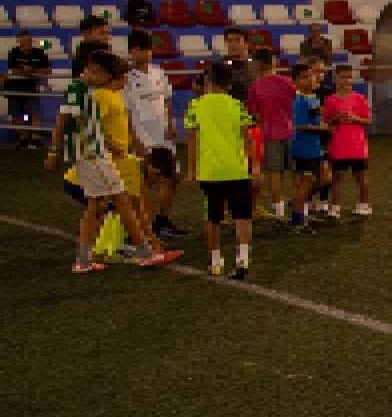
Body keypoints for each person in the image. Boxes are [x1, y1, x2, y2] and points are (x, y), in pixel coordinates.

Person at [46, 49, 181, 273]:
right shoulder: (81, 90)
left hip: (94, 154)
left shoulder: (88, 90)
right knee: (122, 201)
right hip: (92, 155)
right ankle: (145, 254)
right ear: (104, 74)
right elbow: (70, 122)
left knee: (98, 207)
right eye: (92, 71)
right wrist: (54, 151)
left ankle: (85, 260)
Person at [186, 56, 258, 279]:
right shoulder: (237, 105)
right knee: (242, 216)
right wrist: (254, 166)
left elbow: (192, 142)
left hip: (210, 172)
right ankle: (243, 259)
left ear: (207, 81)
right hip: (237, 169)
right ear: (229, 84)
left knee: (213, 217)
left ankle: (216, 261)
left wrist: (191, 170)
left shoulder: (196, 106)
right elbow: (248, 139)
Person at [121, 33, 180, 241]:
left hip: (163, 134)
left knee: (171, 178)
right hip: (143, 136)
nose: (144, 53)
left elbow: (166, 101)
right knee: (145, 181)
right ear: (131, 51)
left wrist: (171, 123)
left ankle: (162, 221)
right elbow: (125, 112)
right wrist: (134, 140)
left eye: (147, 49)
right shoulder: (126, 79)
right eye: (139, 49)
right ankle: (143, 223)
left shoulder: (159, 72)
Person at [246, 48, 296, 218]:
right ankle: (300, 207)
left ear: (258, 64)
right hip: (291, 131)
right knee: (296, 173)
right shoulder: (288, 82)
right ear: (273, 62)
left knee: (275, 174)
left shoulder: (256, 86)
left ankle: (278, 210)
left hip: (270, 134)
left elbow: (254, 113)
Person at [321, 64, 374, 217]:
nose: (346, 81)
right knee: (337, 177)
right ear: (335, 79)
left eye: (349, 77)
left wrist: (354, 118)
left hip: (357, 145)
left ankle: (364, 204)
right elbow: (326, 122)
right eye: (342, 77)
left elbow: (368, 121)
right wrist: (336, 119)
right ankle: (335, 206)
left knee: (361, 177)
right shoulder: (330, 101)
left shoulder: (360, 99)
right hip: (338, 145)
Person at [287, 62, 332, 227]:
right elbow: (300, 126)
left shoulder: (312, 98)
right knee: (305, 182)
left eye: (310, 76)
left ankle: (299, 209)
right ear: (296, 82)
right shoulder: (299, 100)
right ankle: (298, 219)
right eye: (304, 77)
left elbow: (315, 120)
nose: (309, 80)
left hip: (314, 147)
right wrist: (324, 128)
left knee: (324, 178)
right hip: (303, 148)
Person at [7, 30, 47, 147]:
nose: (26, 44)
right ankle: (23, 139)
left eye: (28, 41)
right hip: (14, 90)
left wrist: (30, 71)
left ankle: (35, 139)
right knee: (18, 115)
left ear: (31, 41)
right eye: (23, 42)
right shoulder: (13, 53)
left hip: (31, 90)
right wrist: (31, 72)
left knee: (34, 114)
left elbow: (47, 70)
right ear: (19, 42)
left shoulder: (39, 53)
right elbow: (14, 70)